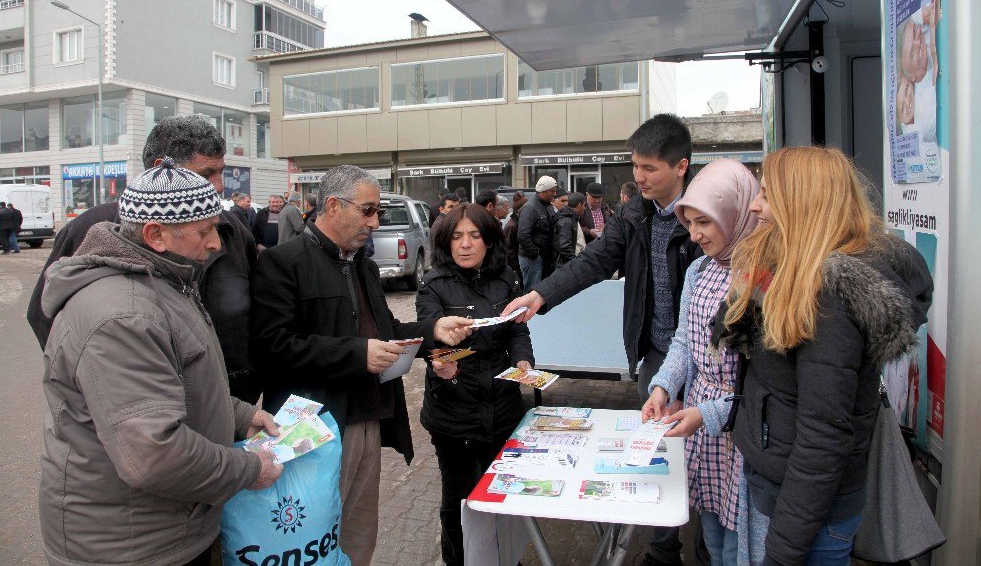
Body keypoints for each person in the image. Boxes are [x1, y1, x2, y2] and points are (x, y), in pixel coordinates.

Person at [39, 159, 283, 566]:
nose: (216, 244)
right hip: (130, 545)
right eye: (205, 231)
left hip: (162, 527)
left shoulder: (162, 281)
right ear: (155, 235)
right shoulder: (123, 315)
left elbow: (178, 381)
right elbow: (153, 453)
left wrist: (239, 416)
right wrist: (246, 468)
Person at [715, 147, 933, 565]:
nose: (756, 207)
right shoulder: (791, 272)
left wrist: (782, 553)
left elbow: (822, 440)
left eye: (767, 195)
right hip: (787, 492)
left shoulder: (830, 301)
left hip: (807, 514)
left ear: (803, 204)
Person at [250, 165, 474, 566]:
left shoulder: (363, 265)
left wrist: (433, 329)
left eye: (378, 213)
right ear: (333, 206)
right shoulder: (284, 263)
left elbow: (386, 331)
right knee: (313, 536)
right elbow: (274, 347)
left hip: (370, 417)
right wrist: (357, 354)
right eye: (368, 210)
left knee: (358, 536)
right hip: (315, 427)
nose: (375, 222)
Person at [504, 114, 702, 566]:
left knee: (709, 452)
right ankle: (663, 548)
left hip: (707, 359)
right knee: (659, 447)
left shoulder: (707, 213)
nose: (638, 177)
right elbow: (592, 261)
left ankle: (709, 546)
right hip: (655, 352)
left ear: (681, 166)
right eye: (635, 166)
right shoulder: (634, 215)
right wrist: (541, 294)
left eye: (649, 168)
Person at [27, 115, 262, 403]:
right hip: (129, 413)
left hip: (229, 404)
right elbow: (47, 315)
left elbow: (256, 311)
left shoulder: (232, 231)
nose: (219, 185)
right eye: (206, 174)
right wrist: (92, 388)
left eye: (220, 172)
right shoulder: (89, 229)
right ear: (161, 170)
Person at [641, 159, 760, 566]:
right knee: (711, 531)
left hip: (741, 428)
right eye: (689, 223)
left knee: (739, 544)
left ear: (735, 212)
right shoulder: (699, 270)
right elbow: (683, 343)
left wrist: (706, 411)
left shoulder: (765, 276)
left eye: (704, 223)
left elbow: (768, 382)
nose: (694, 235)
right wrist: (663, 386)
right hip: (701, 425)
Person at [416, 203, 535, 565]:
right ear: (445, 243)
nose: (465, 245)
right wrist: (442, 363)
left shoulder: (508, 278)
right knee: (460, 503)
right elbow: (429, 339)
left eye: (473, 236)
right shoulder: (432, 283)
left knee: (502, 495)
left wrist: (522, 360)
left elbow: (518, 329)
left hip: (504, 409)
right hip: (454, 415)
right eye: (456, 237)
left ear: (489, 241)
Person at [517, 175, 558, 291]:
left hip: (544, 257)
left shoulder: (548, 206)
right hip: (532, 259)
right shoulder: (530, 208)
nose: (555, 194)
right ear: (543, 191)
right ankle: (530, 310)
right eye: (552, 191)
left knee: (542, 291)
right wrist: (535, 253)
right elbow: (522, 235)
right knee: (532, 291)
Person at [554, 192, 585, 268]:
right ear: (579, 205)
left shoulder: (573, 218)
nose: (585, 208)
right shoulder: (566, 222)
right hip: (567, 266)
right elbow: (565, 246)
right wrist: (575, 261)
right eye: (584, 205)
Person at [503, 191, 526, 280]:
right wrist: (515, 268)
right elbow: (509, 250)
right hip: (514, 266)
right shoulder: (512, 226)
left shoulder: (518, 223)